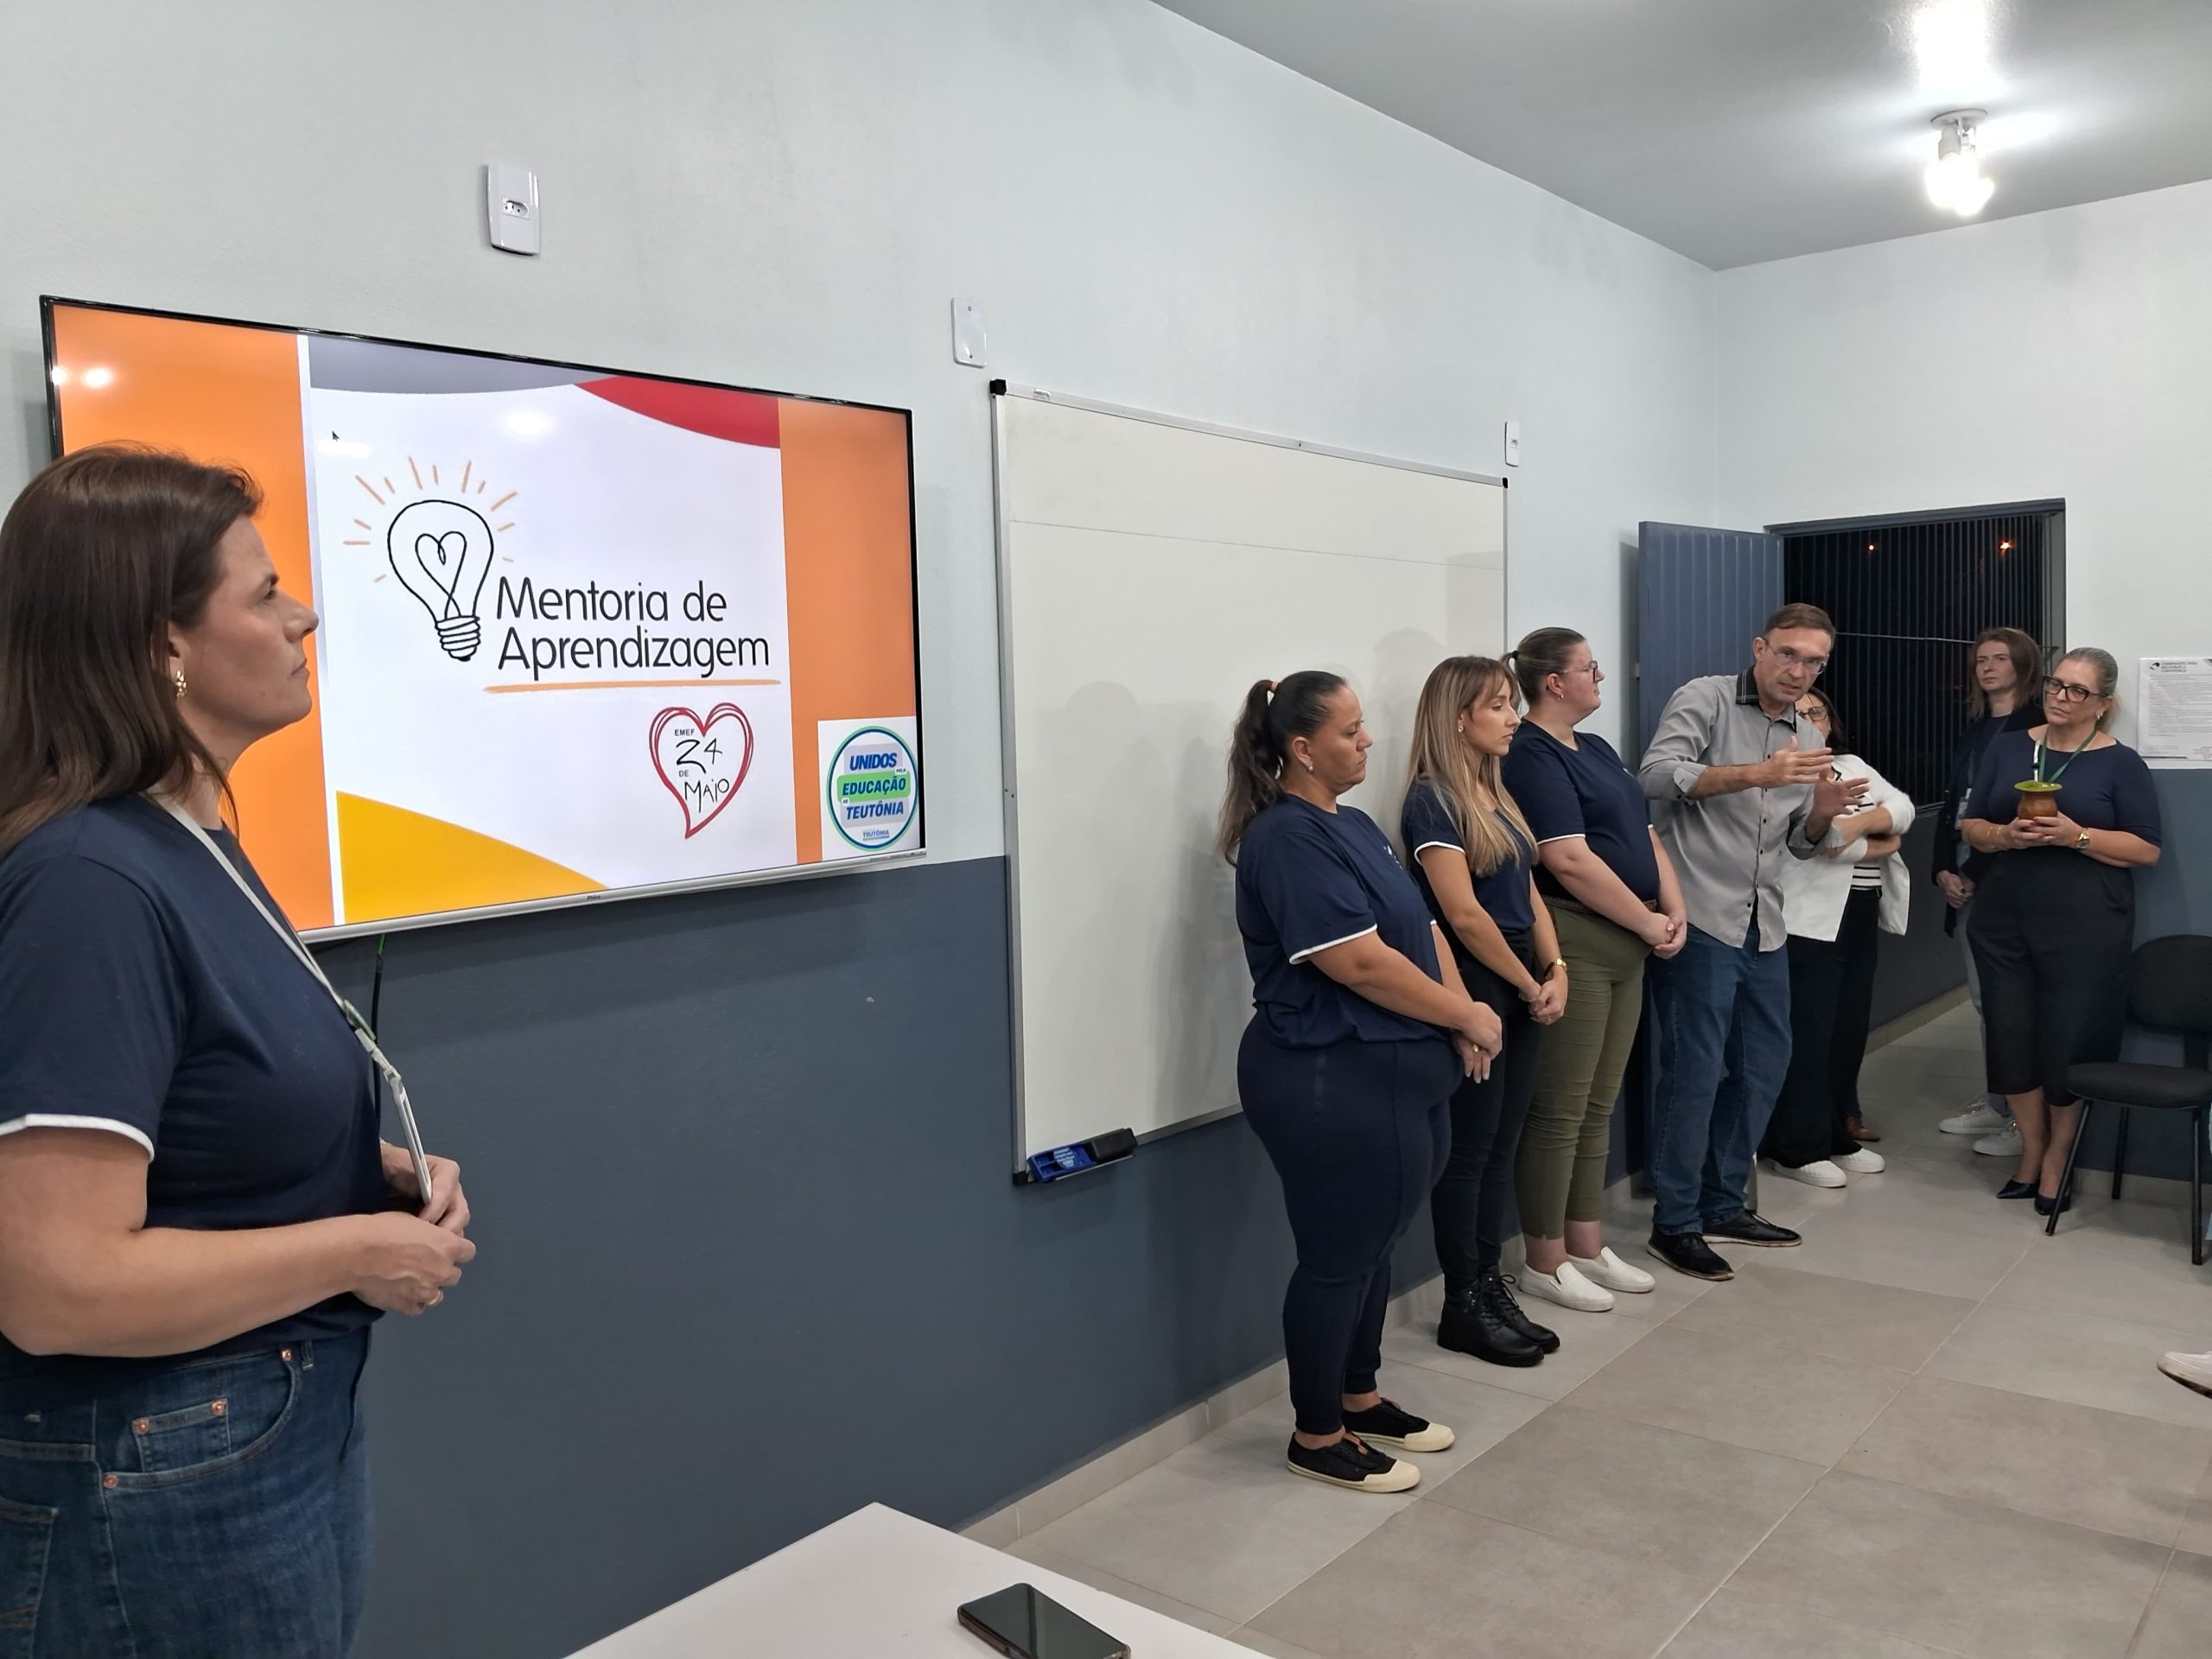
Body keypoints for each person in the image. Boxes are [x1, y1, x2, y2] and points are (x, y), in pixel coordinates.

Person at [0, 445, 476, 1657]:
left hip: (253, 1433)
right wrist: (355, 1248)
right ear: (162, 646)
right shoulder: (89, 883)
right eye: (264, 595)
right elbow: (55, 1287)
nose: (302, 615)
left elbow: (196, 1118)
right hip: (156, 1470)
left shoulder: (185, 837)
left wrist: (356, 1172)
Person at [1221, 671, 1503, 1494]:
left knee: (1375, 1245)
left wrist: (1461, 1012)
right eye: (1349, 731)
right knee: (1338, 1258)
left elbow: (1420, 929)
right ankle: (1316, 1436)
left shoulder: (1356, 826)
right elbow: (1358, 962)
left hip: (1396, 1075)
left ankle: (1359, 1398)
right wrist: (1467, 1015)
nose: (1367, 740)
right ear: (1302, 749)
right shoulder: (1286, 839)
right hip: (1327, 1079)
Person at [1637, 602, 1863, 1281]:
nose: (1799, 671)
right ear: (1760, 648)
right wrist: (1755, 773)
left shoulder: (1805, 732)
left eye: (1814, 662)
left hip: (1765, 923)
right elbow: (1656, 775)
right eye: (1789, 654)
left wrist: (1821, 816)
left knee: (1763, 1066)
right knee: (1695, 1072)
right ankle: (1675, 1222)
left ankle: (1722, 1203)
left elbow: (1799, 843)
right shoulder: (1705, 698)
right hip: (1701, 916)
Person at [1500, 629, 1686, 1315]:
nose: (1599, 676)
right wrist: (1646, 923)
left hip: (1629, 941)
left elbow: (1645, 834)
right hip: (1577, 936)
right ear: (1554, 682)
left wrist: (1673, 907)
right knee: (1560, 1109)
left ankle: (1585, 1243)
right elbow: (1567, 858)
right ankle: (1544, 1259)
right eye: (1589, 668)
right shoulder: (1530, 752)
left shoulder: (1598, 749)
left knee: (1598, 1105)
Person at [1401, 658, 1566, 1368]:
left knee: (1503, 1145)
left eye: (1510, 704)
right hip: (1478, 983)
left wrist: (1555, 970)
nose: (1512, 718)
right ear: (1458, 717)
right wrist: (1525, 986)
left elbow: (1528, 895)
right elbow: (1464, 916)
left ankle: (1490, 1286)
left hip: (1521, 977)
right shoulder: (1432, 801)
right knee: (1469, 1151)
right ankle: (1462, 1301)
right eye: (1497, 705)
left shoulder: (1494, 792)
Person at [1960, 648, 2161, 1213]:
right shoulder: (2008, 747)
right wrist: (2005, 836)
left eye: (2077, 690)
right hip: (2004, 918)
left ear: (2103, 704)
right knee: (2009, 1037)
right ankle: (2031, 1148)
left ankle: (2058, 1157)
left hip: (2086, 925)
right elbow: (1973, 826)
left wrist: (2076, 836)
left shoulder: (2121, 763)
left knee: (2069, 1042)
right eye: (2055, 684)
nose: (2060, 696)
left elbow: (2146, 850)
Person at [1758, 687, 1912, 1186]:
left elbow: (1903, 809)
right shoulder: (1784, 773)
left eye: (1817, 710)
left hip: (1861, 913)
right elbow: (1814, 845)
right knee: (1811, 1035)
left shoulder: (1851, 764)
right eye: (1798, 712)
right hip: (1809, 923)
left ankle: (1835, 1136)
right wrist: (1877, 841)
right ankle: (1797, 1148)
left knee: (1848, 1031)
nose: (1810, 719)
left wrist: (1859, 824)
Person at [1933, 628, 2043, 1154]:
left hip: (2006, 871)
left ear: (2024, 665)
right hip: (1963, 864)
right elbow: (1955, 802)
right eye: (1981, 660)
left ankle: (2024, 1120)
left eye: (2000, 658)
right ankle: (1999, 1102)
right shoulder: (1975, 728)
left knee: (2012, 1000)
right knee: (1982, 997)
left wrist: (1974, 867)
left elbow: (2016, 812)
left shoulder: (2038, 728)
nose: (1988, 667)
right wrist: (1942, 868)